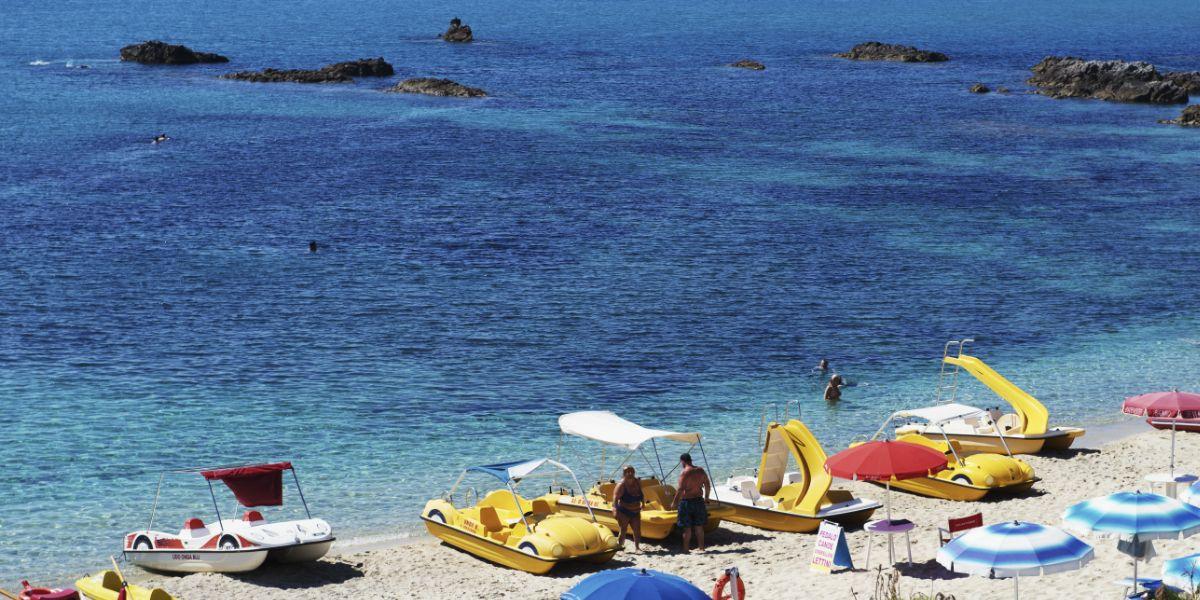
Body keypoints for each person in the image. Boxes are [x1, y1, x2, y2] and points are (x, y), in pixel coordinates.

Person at [669, 453, 711, 553]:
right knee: (699, 527)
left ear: (682, 461)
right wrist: (707, 497)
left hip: (687, 502)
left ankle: (686, 549)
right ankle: (701, 548)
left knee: (687, 528)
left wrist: (674, 503)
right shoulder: (700, 470)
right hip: (699, 500)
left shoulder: (685, 472)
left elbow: (680, 489)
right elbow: (707, 485)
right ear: (691, 460)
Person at [610, 465, 643, 551]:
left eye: (632, 471)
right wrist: (615, 510)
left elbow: (641, 493)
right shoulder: (621, 485)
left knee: (637, 530)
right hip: (624, 511)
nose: (630, 473)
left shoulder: (637, 482)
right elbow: (615, 498)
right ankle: (620, 546)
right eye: (627, 472)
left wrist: (643, 503)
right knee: (623, 530)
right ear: (624, 474)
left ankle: (637, 547)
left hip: (636, 511)